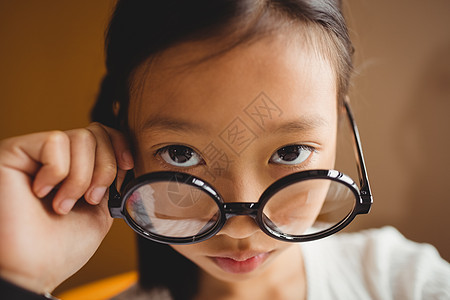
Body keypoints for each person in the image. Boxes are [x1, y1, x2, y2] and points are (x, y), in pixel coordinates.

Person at [0, 1, 449, 299]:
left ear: (341, 121)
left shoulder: (402, 281)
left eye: (290, 151)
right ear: (124, 136)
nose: (240, 225)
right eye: (180, 154)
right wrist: (19, 277)